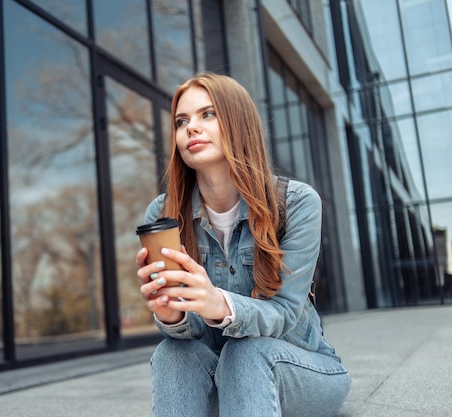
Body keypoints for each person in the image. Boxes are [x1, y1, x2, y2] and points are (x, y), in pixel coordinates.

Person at [135, 72, 350, 417]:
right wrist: (171, 315)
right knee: (171, 352)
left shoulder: (295, 204)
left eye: (208, 114)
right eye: (181, 121)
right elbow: (187, 334)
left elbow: (285, 314)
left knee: (247, 353)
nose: (191, 128)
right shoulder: (164, 215)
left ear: (239, 122)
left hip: (298, 370)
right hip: (218, 378)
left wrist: (218, 302)